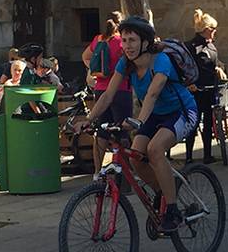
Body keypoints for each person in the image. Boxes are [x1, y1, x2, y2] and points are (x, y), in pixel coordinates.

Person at [79, 16, 198, 232]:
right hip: (153, 115)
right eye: (124, 40)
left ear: (145, 42)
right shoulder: (126, 63)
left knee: (154, 149)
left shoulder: (161, 60)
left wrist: (138, 121)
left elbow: (152, 94)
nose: (127, 46)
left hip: (181, 112)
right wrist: (88, 120)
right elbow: (107, 96)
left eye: (132, 40)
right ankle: (163, 190)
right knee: (136, 157)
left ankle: (172, 210)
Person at [82, 13, 133, 180]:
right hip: (121, 89)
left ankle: (97, 172)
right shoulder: (121, 42)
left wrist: (95, 71)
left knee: (101, 131)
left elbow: (85, 56)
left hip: (100, 89)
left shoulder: (99, 39)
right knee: (122, 132)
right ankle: (124, 172)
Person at [185, 9, 222, 164]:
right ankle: (189, 156)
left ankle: (207, 155)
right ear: (207, 30)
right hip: (194, 90)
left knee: (208, 122)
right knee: (193, 123)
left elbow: (212, 64)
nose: (215, 33)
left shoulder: (211, 46)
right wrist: (188, 83)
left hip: (209, 88)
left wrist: (218, 69)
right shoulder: (190, 46)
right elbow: (183, 66)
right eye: (213, 30)